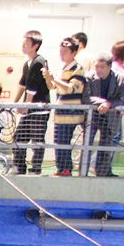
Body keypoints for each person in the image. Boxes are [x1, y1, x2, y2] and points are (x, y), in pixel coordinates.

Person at [44, 36, 86, 176]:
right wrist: (48, 78)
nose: (61, 54)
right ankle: (61, 168)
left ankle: (66, 168)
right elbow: (53, 87)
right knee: (58, 140)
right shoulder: (62, 68)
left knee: (63, 140)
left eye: (65, 51)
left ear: (74, 52)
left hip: (71, 112)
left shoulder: (78, 69)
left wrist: (53, 79)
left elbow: (72, 88)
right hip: (61, 111)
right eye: (60, 51)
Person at [12, 30, 51, 175]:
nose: (23, 45)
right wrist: (14, 104)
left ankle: (36, 169)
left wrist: (26, 106)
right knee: (19, 137)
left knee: (37, 139)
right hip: (28, 109)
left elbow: (32, 89)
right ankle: (19, 167)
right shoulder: (27, 64)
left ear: (35, 45)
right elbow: (23, 85)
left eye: (27, 43)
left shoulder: (39, 62)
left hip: (39, 109)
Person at [84, 53, 124, 177]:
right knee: (87, 144)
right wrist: (103, 102)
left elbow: (122, 100)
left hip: (110, 117)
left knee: (107, 145)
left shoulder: (122, 79)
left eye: (102, 67)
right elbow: (86, 98)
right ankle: (83, 172)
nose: (98, 70)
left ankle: (103, 172)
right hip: (92, 117)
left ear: (110, 66)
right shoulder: (88, 77)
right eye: (96, 66)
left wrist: (109, 104)